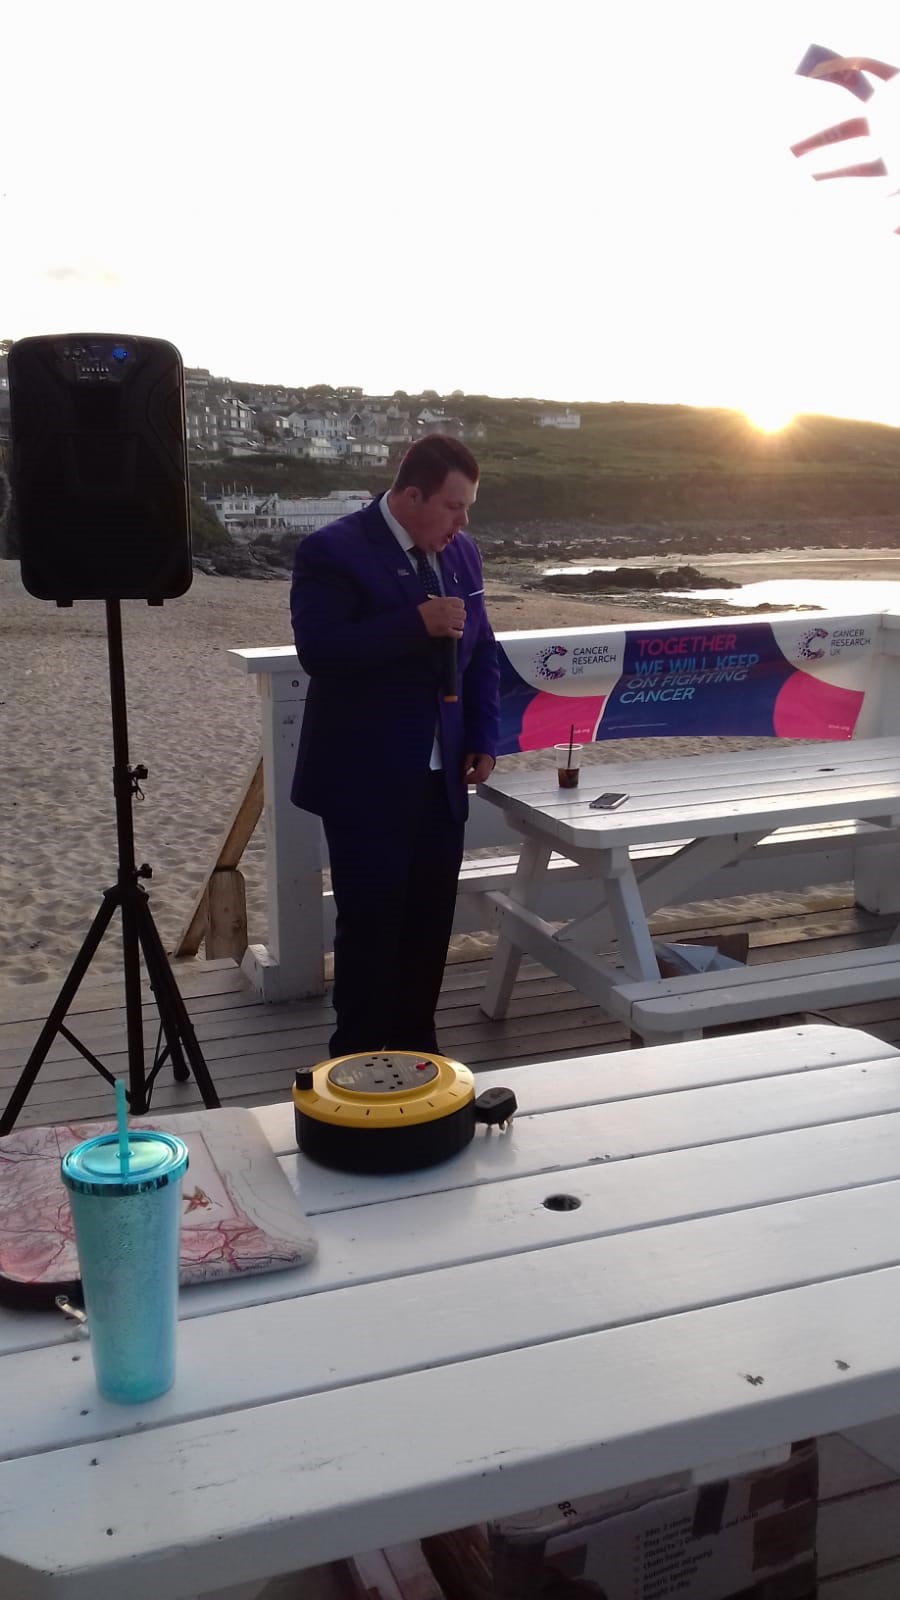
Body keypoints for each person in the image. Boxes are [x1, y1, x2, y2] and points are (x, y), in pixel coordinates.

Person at [290, 434, 500, 1057]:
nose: (461, 523)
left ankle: (419, 1050)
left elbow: (483, 652)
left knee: (429, 921)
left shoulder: (462, 553)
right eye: (453, 507)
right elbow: (321, 652)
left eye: (467, 509)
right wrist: (416, 624)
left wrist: (483, 736)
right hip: (365, 778)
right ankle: (356, 1057)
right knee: (370, 923)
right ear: (411, 496)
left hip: (443, 774)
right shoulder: (333, 550)